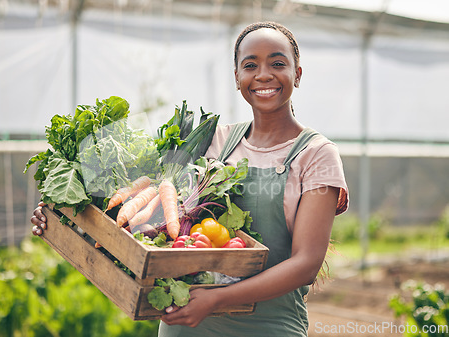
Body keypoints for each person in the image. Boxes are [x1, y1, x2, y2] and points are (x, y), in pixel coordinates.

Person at [31, 21, 348, 337]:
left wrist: (216, 298)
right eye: (250, 65)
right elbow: (148, 212)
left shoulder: (316, 155)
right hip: (184, 320)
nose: (264, 74)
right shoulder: (216, 141)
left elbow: (306, 264)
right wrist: (65, 215)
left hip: (268, 326)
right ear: (237, 79)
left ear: (298, 74)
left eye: (277, 63)